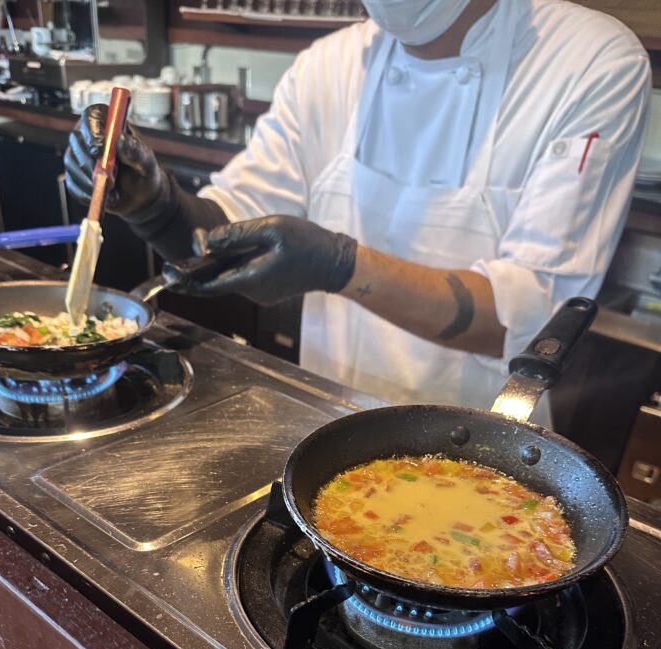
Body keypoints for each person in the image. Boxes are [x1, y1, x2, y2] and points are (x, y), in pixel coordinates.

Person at [65, 0, 651, 413]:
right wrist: (158, 208)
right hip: (326, 420)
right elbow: (224, 233)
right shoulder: (329, 64)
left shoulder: (588, 61)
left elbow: (533, 318)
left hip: (482, 448)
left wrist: (341, 267)